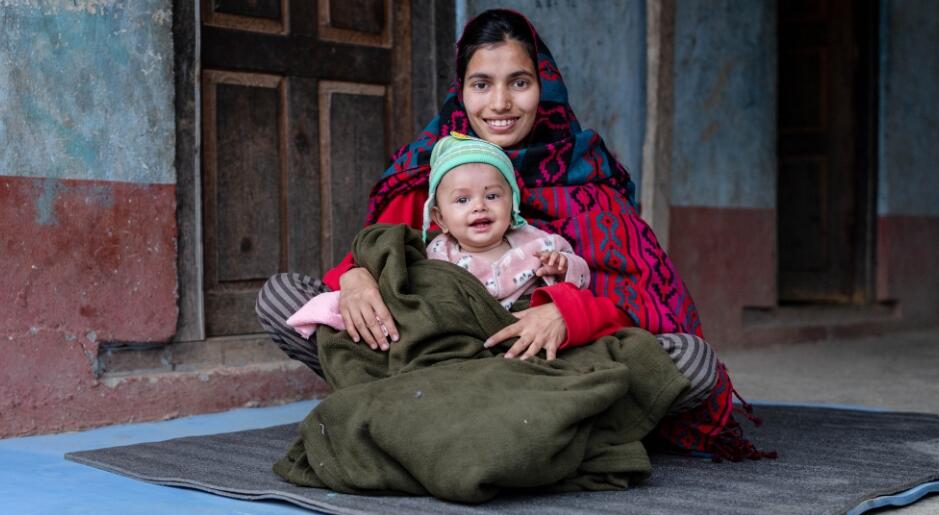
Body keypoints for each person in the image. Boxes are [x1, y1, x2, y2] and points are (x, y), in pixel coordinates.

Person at [257, 9, 771, 458]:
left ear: (542, 86)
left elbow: (639, 299)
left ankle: (452, 427)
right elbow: (382, 253)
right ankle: (535, 434)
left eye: (519, 82)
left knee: (690, 362)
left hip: (544, 366)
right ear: (461, 90)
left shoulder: (585, 179)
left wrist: (565, 313)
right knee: (283, 301)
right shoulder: (427, 171)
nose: (500, 103)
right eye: (482, 84)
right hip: (433, 359)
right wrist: (355, 280)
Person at [285, 132, 590, 340]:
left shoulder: (538, 243)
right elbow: (416, 299)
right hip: (459, 341)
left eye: (493, 196)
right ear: (440, 219)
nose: (479, 206)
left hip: (518, 334)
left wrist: (564, 266)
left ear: (513, 205)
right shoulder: (438, 253)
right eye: (462, 200)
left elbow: (579, 280)